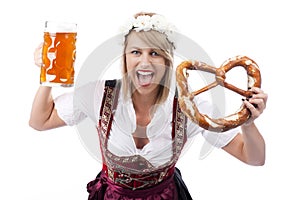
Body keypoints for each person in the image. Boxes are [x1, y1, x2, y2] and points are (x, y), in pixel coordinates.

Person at [29, 12, 268, 200]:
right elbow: (40, 122)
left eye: (154, 53)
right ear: (124, 57)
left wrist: (249, 123)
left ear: (167, 60)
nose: (144, 62)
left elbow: (254, 158)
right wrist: (47, 75)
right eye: (136, 52)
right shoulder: (98, 94)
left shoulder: (191, 106)